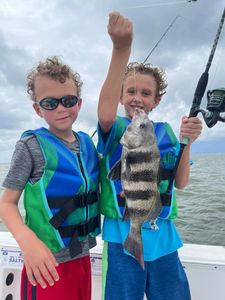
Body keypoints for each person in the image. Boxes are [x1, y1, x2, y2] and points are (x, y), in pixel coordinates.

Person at [97, 12, 202, 300]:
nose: (137, 98)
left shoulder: (167, 134)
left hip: (164, 240)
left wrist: (187, 141)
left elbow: (180, 182)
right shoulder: (117, 129)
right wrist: (121, 49)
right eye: (130, 91)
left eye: (145, 93)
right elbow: (105, 113)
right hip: (122, 238)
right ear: (120, 97)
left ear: (156, 101)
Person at [0, 56, 100, 300]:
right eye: (50, 102)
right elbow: (6, 203)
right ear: (37, 108)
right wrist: (28, 243)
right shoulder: (30, 146)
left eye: (68, 100)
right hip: (46, 264)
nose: (61, 108)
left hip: (82, 258)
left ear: (79, 102)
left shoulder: (87, 144)